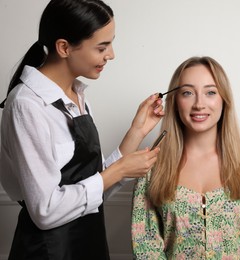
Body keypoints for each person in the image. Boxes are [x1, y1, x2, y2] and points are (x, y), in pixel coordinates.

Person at [0, 0, 164, 259]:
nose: (111, 55)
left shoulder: (76, 95)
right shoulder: (27, 105)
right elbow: (45, 211)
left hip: (87, 242)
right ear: (64, 47)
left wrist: (137, 131)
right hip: (49, 251)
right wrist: (119, 170)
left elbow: (94, 186)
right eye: (102, 47)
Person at [131, 56, 240, 259]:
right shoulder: (150, 165)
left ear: (224, 100)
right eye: (187, 93)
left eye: (210, 92)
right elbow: (145, 245)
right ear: (175, 102)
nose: (199, 104)